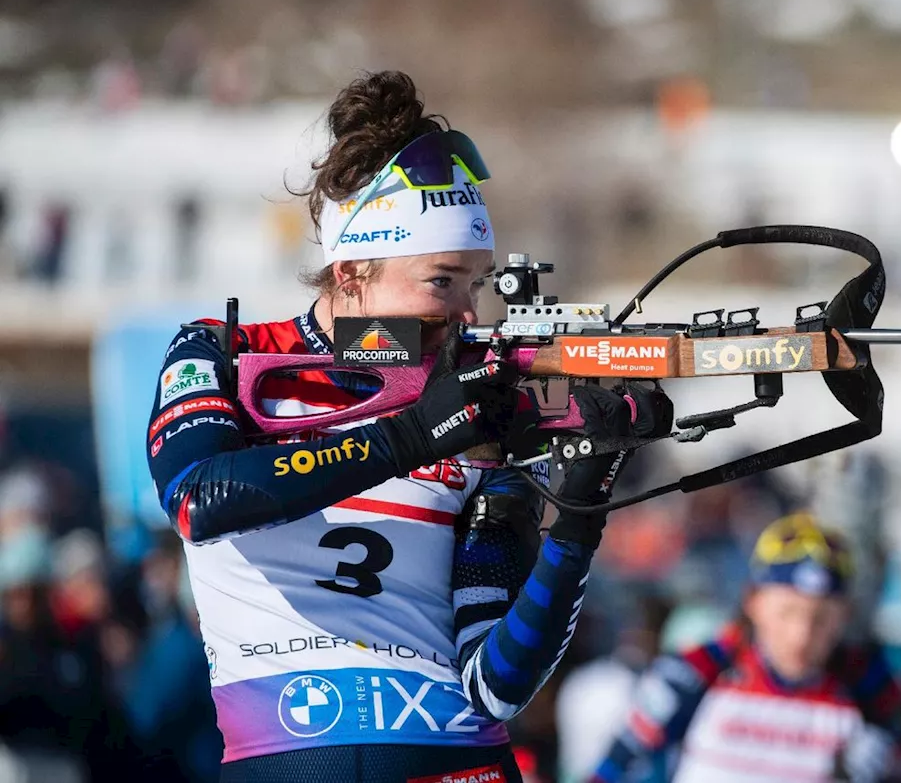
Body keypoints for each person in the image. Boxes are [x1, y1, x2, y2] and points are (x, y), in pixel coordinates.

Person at [145, 70, 672, 782]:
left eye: (475, 285)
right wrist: (414, 435)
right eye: (441, 280)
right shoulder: (227, 353)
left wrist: (580, 517)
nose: (467, 314)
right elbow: (199, 497)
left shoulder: (481, 400)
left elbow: (500, 683)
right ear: (355, 268)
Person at [588, 512, 901, 783]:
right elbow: (612, 771)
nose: (801, 634)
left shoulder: (867, 682)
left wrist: (887, 766)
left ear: (846, 615)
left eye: (822, 618)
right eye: (787, 612)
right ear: (753, 602)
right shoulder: (695, 672)